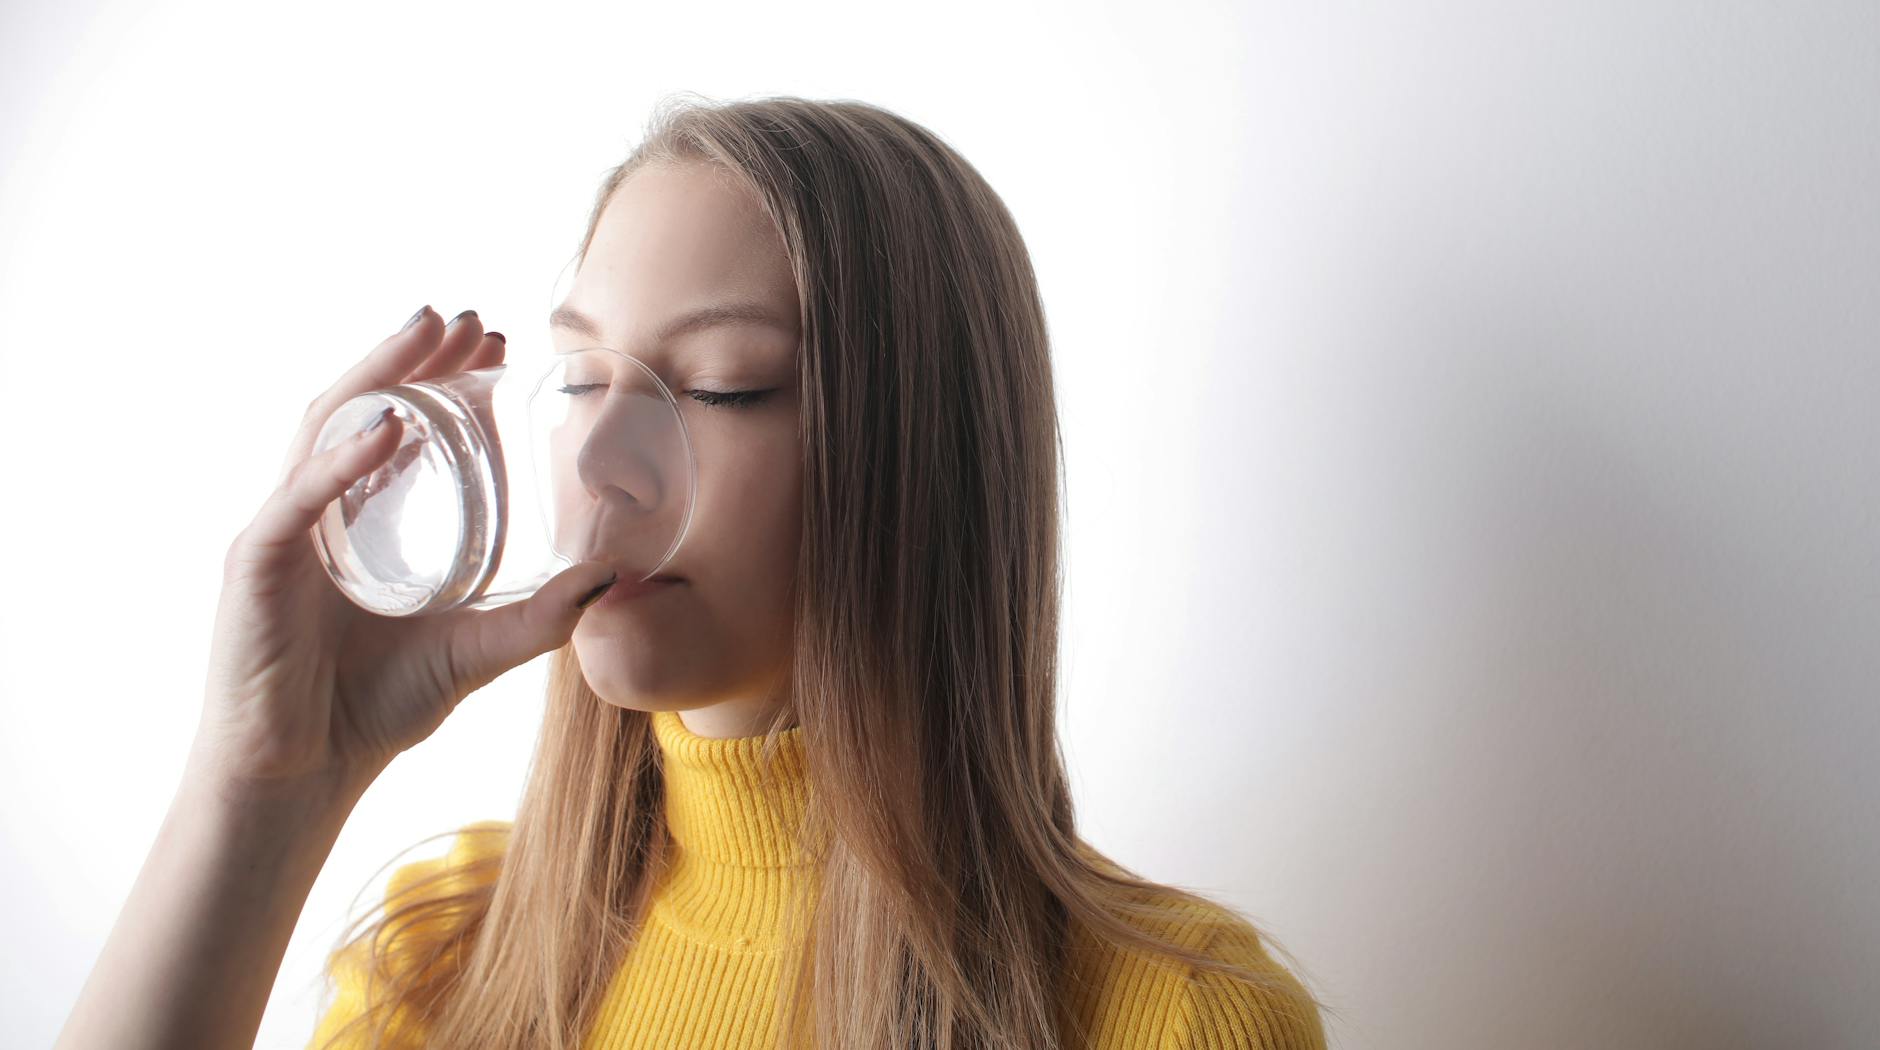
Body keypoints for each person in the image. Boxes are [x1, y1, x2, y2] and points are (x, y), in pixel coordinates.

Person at [53, 94, 1329, 1050]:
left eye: (719, 387)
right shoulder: (442, 952)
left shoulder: (1173, 1019)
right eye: (580, 378)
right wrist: (267, 780)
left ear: (922, 454)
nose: (597, 463)